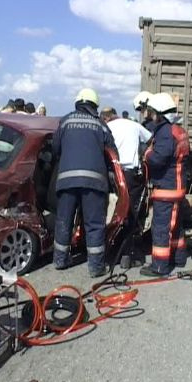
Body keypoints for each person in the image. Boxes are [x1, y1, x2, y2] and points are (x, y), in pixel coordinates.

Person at [52, 88, 117, 278]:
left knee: (64, 220)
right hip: (94, 182)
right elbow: (112, 152)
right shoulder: (100, 125)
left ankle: (60, 260)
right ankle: (96, 267)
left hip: (66, 180)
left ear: (78, 102)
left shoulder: (65, 121)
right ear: (94, 106)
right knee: (94, 224)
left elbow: (55, 148)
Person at [140, 92, 190, 277]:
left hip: (167, 188)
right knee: (175, 226)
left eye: (152, 113)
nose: (151, 116)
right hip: (176, 186)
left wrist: (145, 153)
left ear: (159, 113)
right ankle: (179, 258)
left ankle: (159, 266)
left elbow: (159, 159)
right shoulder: (178, 130)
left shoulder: (165, 132)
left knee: (161, 227)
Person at [107, 106, 152, 267]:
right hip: (131, 175)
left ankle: (112, 249)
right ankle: (127, 253)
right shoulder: (134, 125)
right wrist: (143, 154)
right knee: (131, 212)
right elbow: (150, 140)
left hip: (112, 173)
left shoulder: (109, 127)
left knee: (114, 211)